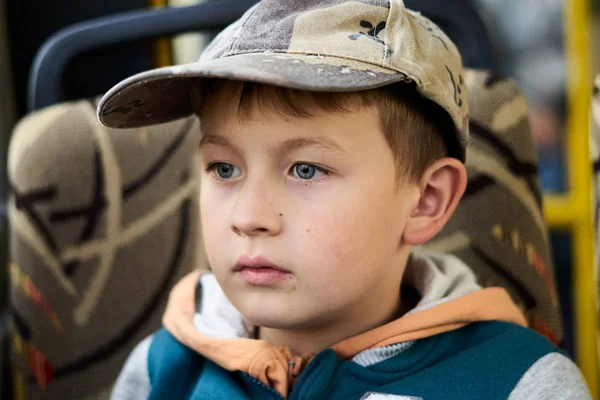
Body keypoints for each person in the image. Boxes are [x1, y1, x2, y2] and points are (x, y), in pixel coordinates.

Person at [97, 0, 591, 398]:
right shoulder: (163, 370)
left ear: (426, 201)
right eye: (224, 168)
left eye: (306, 169)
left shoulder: (519, 383)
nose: (249, 218)